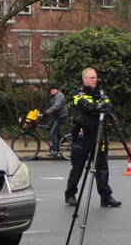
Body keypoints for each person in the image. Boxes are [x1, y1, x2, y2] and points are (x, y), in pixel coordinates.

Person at [64, 68, 121, 208]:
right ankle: (70, 195)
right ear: (84, 79)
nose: (95, 79)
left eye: (95, 77)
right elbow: (85, 107)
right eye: (92, 77)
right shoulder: (79, 94)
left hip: (98, 134)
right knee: (77, 167)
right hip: (82, 136)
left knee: (102, 166)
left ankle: (106, 197)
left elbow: (110, 106)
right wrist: (99, 107)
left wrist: (99, 107)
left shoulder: (100, 93)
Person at [44, 84, 68, 158]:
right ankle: (60, 140)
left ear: (57, 89)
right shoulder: (54, 96)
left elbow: (56, 106)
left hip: (61, 116)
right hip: (57, 116)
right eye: (51, 90)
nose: (52, 91)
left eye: (53, 89)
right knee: (47, 127)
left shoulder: (60, 95)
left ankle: (55, 151)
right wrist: (45, 114)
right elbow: (52, 107)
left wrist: (47, 113)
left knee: (52, 133)